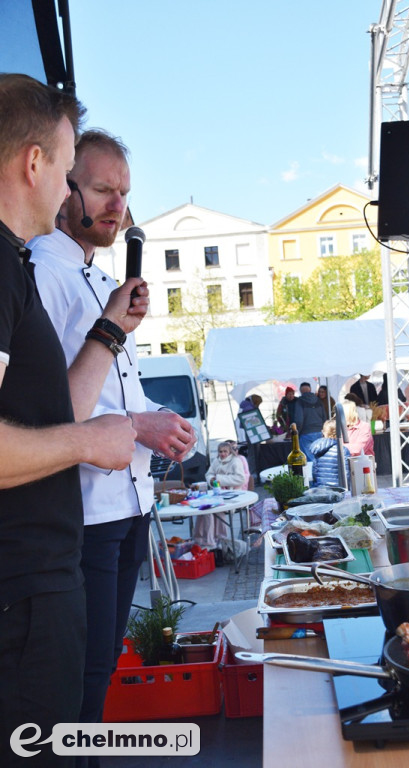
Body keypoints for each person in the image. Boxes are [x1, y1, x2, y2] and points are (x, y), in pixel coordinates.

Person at [29, 129, 196, 751]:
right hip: (84, 508)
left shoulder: (95, 278)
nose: (117, 206)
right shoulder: (45, 271)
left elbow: (112, 393)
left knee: (101, 661)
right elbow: (46, 408)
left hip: (127, 502)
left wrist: (162, 420)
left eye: (124, 193)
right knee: (82, 668)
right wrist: (138, 426)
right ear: (64, 185)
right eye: (102, 189)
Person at [0, 75, 138, 767]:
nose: (65, 194)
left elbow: (52, 409)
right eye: (64, 168)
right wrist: (95, 439)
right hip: (26, 580)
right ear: (35, 165)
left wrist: (111, 328)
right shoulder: (13, 266)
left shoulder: (18, 268)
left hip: (45, 570)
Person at [194, 442, 245, 549]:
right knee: (203, 508)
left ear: (229, 451)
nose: (222, 454)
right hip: (217, 493)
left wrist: (219, 479)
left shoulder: (236, 461)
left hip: (233, 494)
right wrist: (211, 480)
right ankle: (202, 538)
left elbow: (241, 479)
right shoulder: (216, 461)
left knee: (212, 510)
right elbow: (209, 474)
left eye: (225, 451)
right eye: (220, 451)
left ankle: (214, 539)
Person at [310, 419, 351, 489]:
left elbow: (314, 472)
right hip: (338, 489)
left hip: (320, 489)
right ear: (339, 433)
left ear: (323, 432)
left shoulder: (318, 448)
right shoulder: (343, 450)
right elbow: (346, 474)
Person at [294, 382, 326, 462]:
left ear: (301, 391)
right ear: (310, 389)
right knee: (320, 458)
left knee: (309, 461)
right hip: (320, 432)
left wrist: (297, 433)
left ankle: (311, 474)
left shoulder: (299, 402)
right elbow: (324, 417)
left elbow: (299, 420)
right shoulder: (319, 401)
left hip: (306, 434)